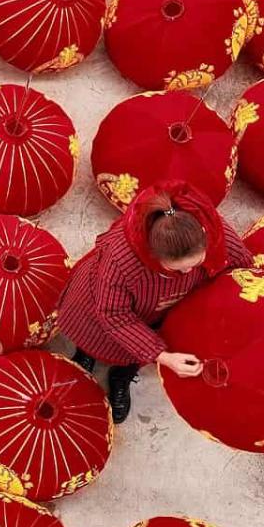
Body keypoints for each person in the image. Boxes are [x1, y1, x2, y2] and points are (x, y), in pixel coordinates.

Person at [58, 181, 252, 424]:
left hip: (163, 308)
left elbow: (241, 266)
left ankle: (123, 375)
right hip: (104, 305)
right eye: (178, 269)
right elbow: (114, 314)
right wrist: (164, 356)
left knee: (135, 354)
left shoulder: (208, 229)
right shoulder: (121, 260)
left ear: (204, 234)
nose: (190, 272)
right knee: (94, 335)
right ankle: (86, 354)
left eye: (197, 263)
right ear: (153, 256)